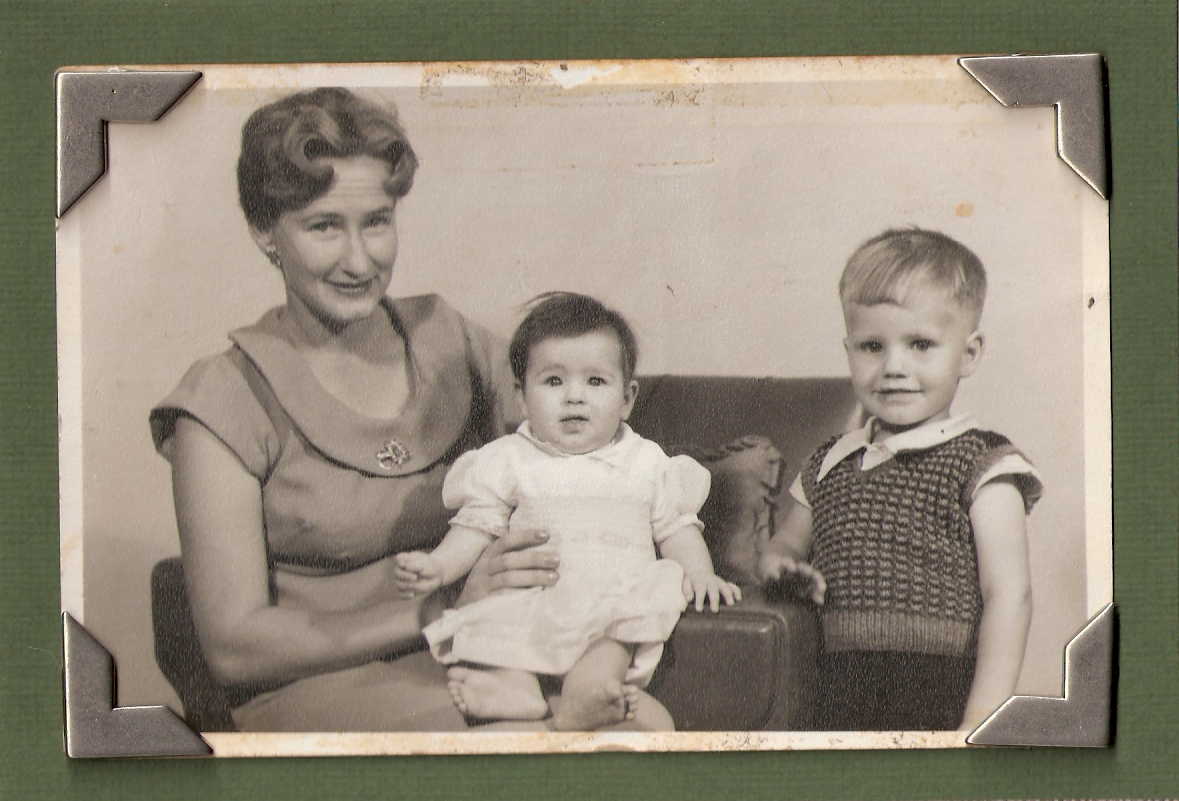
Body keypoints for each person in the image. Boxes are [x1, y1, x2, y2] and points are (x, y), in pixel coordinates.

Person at [149, 88, 673, 732]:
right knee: (526, 744)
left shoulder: (447, 339)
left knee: (645, 729)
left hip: (491, 653)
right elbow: (234, 648)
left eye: (376, 221)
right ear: (265, 233)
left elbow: (588, 444)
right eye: (323, 226)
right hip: (323, 683)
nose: (359, 260)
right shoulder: (222, 397)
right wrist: (442, 607)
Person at [394, 293, 742, 728]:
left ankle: (588, 693)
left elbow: (676, 529)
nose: (574, 397)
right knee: (497, 624)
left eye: (595, 381)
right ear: (522, 398)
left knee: (622, 633)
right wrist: (438, 567)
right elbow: (475, 528)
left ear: (627, 398)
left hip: (612, 598)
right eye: (554, 381)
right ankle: (515, 689)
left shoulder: (647, 462)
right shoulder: (508, 459)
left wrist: (701, 574)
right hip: (534, 597)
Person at [758, 228, 1043, 731]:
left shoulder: (983, 462)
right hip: (834, 682)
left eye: (920, 344)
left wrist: (980, 722)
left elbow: (1009, 596)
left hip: (940, 687)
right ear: (848, 349)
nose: (893, 367)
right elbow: (784, 545)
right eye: (872, 346)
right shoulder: (829, 460)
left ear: (969, 354)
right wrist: (779, 566)